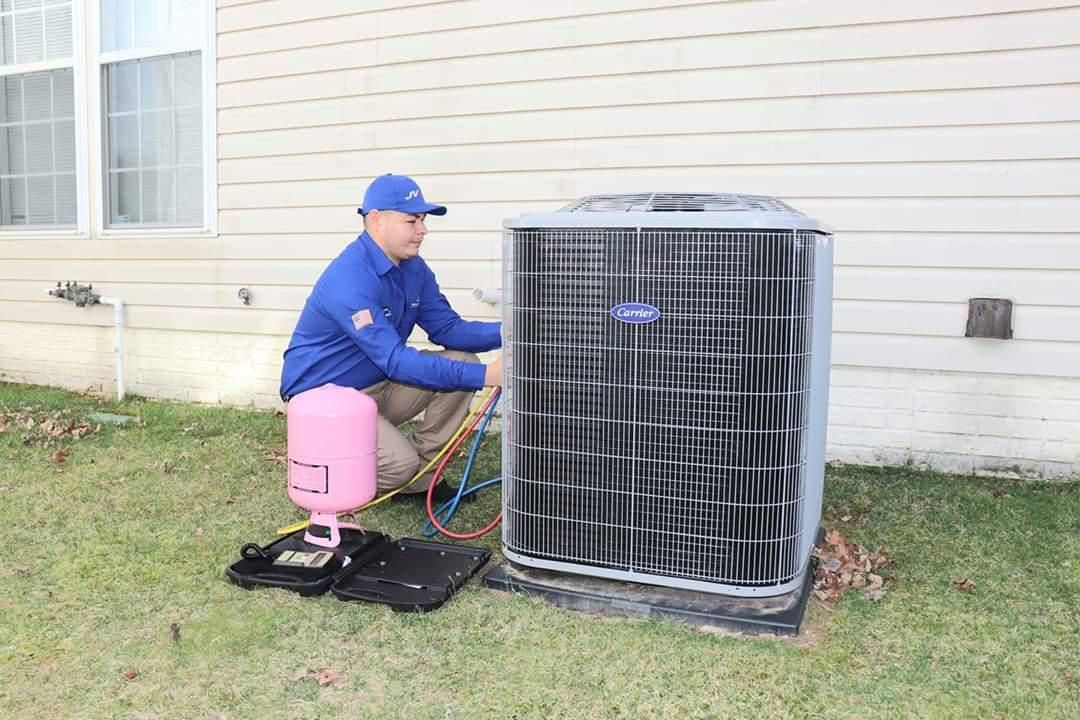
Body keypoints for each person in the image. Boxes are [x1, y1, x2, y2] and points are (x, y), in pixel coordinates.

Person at [280, 173, 502, 503]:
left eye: (423, 220)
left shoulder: (414, 269)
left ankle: (419, 482)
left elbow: (448, 330)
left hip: (378, 384)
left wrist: (513, 330)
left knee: (462, 361)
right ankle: (362, 466)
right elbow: (397, 361)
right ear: (376, 220)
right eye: (411, 220)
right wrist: (487, 376)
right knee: (398, 465)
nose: (422, 229)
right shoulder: (350, 278)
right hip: (324, 400)